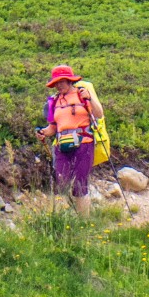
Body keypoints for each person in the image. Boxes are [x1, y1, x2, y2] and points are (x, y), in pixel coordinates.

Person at [36, 64, 104, 213]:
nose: (58, 86)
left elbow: (99, 114)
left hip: (84, 144)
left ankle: (83, 223)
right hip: (62, 146)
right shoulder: (53, 101)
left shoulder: (82, 95)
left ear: (69, 80)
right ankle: (63, 221)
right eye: (56, 83)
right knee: (62, 183)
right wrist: (43, 132)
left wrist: (90, 98)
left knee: (80, 184)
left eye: (62, 82)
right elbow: (53, 128)